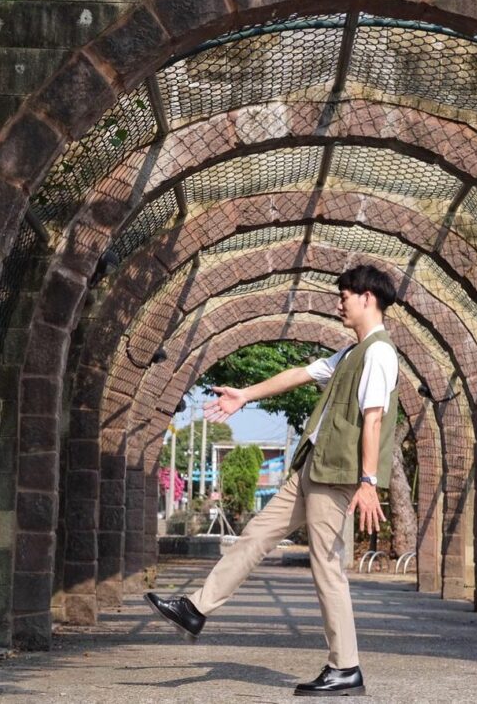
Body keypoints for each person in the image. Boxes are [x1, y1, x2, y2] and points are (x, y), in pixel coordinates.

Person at [146, 264, 400, 697]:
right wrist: (244, 395)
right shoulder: (351, 353)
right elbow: (300, 375)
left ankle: (346, 667)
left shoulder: (379, 352)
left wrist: (368, 481)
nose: (338, 303)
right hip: (311, 468)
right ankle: (195, 609)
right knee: (255, 535)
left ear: (367, 298)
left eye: (344, 295)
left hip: (335, 474)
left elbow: (373, 419)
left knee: (327, 568)